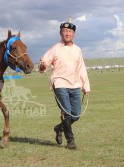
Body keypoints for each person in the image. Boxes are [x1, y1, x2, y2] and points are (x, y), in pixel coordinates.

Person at [38, 17, 90, 150]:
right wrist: (43, 66)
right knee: (67, 113)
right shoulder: (55, 48)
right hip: (60, 83)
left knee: (76, 115)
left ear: (74, 34)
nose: (67, 33)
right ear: (60, 33)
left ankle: (59, 128)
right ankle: (70, 141)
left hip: (75, 85)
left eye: (69, 31)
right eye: (64, 31)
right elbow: (43, 63)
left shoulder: (78, 50)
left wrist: (86, 85)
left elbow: (81, 68)